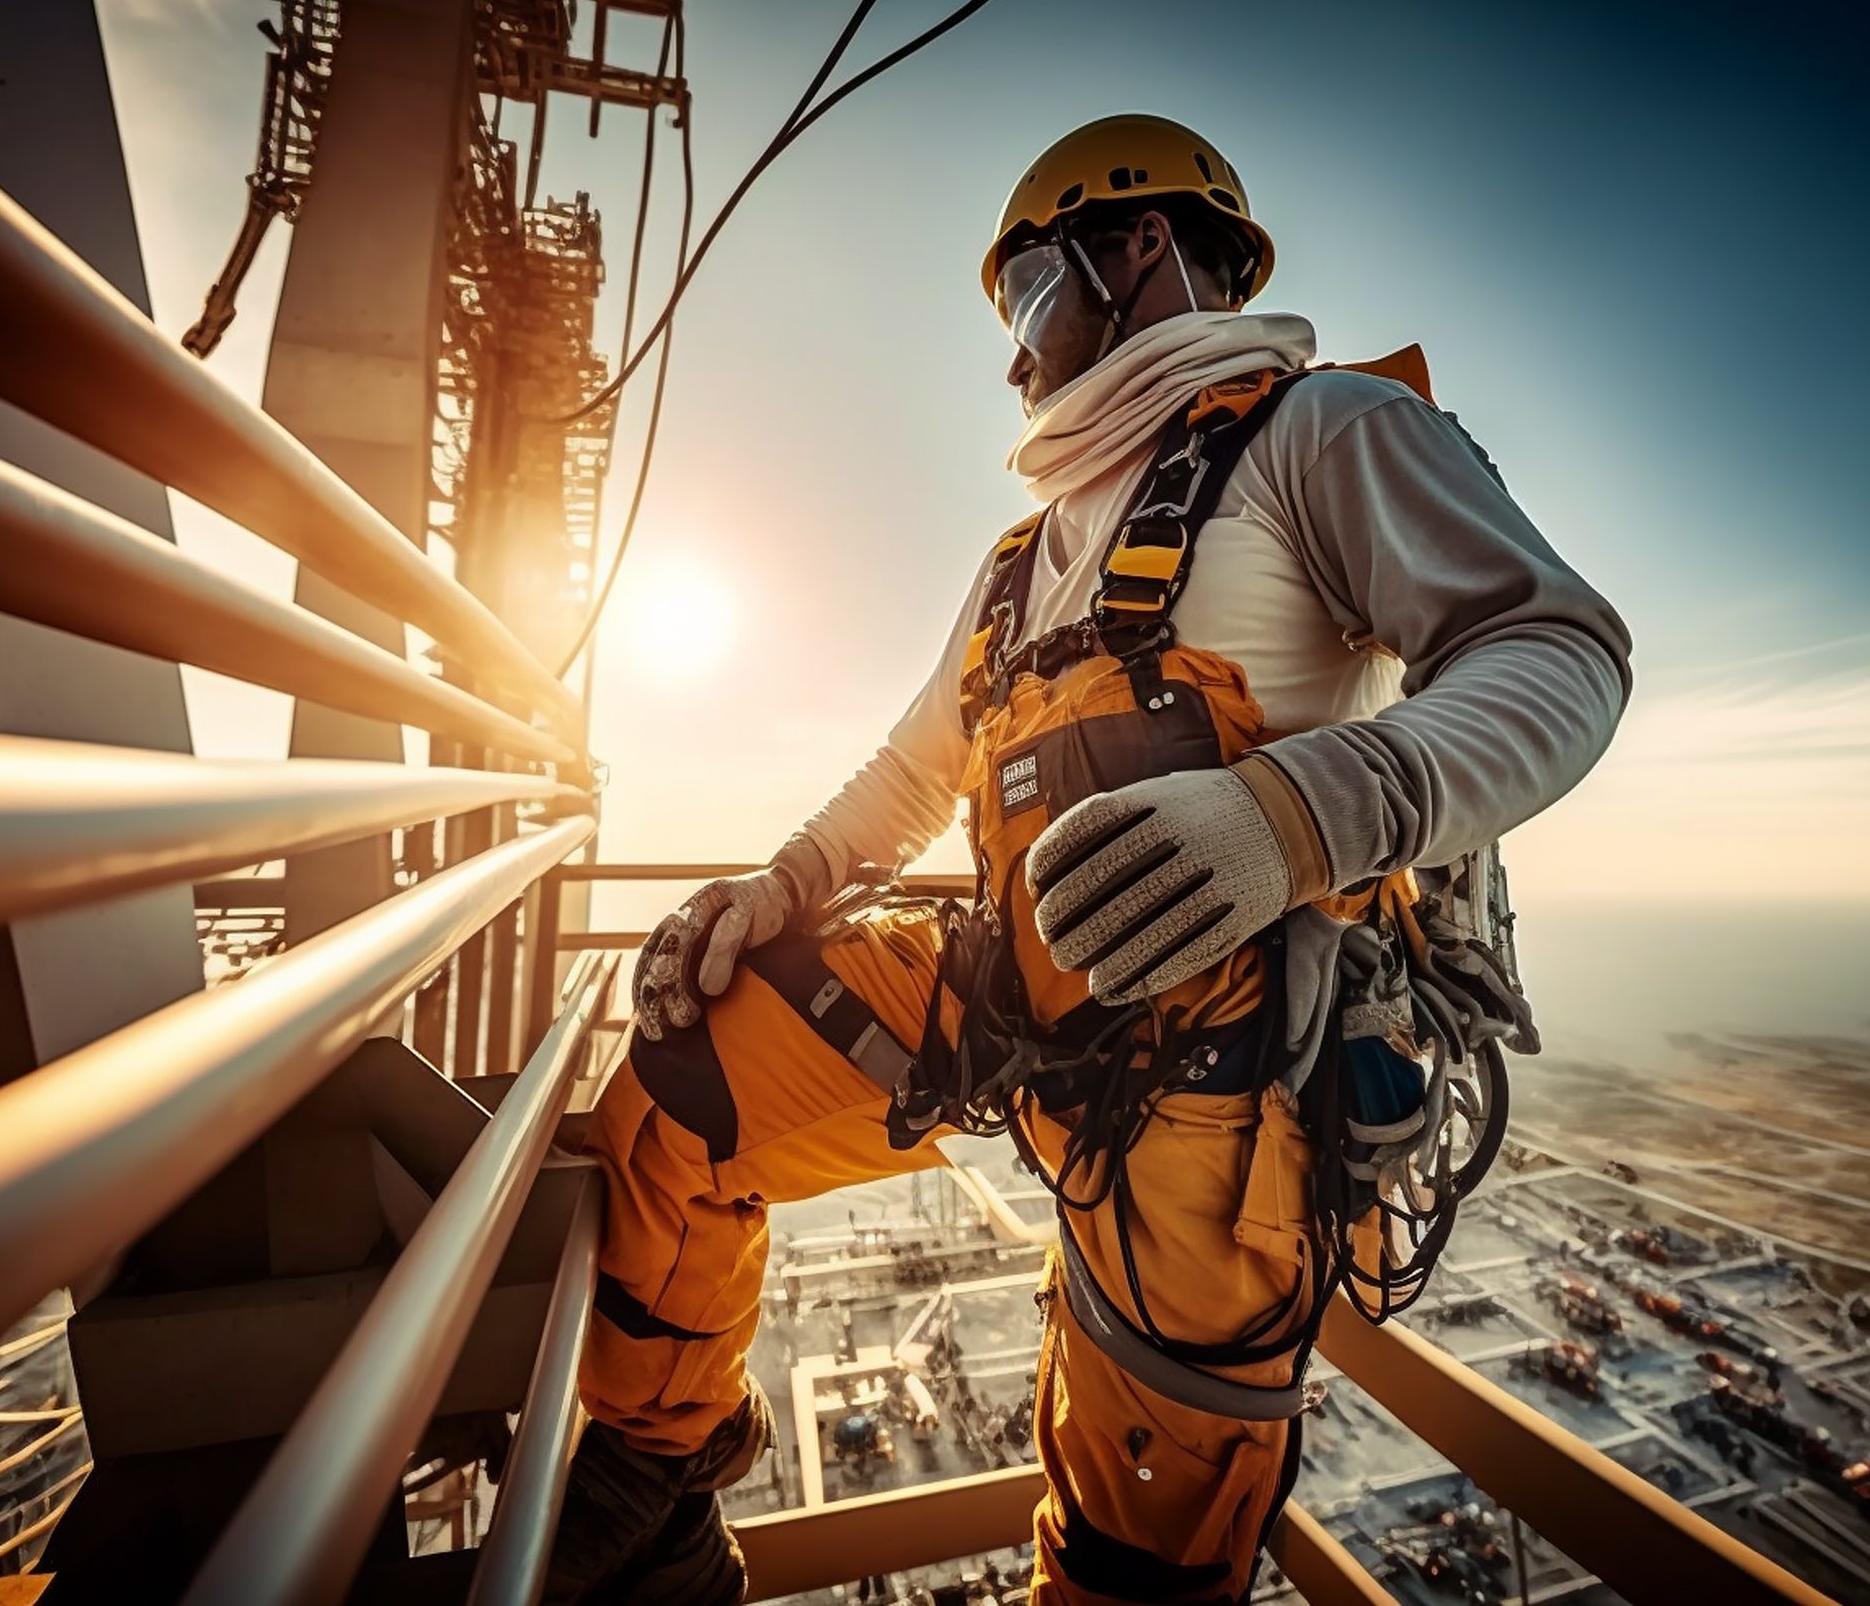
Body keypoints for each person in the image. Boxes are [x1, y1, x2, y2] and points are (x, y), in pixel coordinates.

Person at [545, 114, 1632, 1603]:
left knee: (1133, 1558)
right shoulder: (1022, 558)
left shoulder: (1320, 434)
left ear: (1140, 250)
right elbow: (917, 770)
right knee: (683, 1097)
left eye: (1030, 295)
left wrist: (1294, 814)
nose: (1011, 357)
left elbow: (1559, 651)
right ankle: (656, 1489)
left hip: (1224, 1105)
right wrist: (781, 889)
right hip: (1007, 1011)